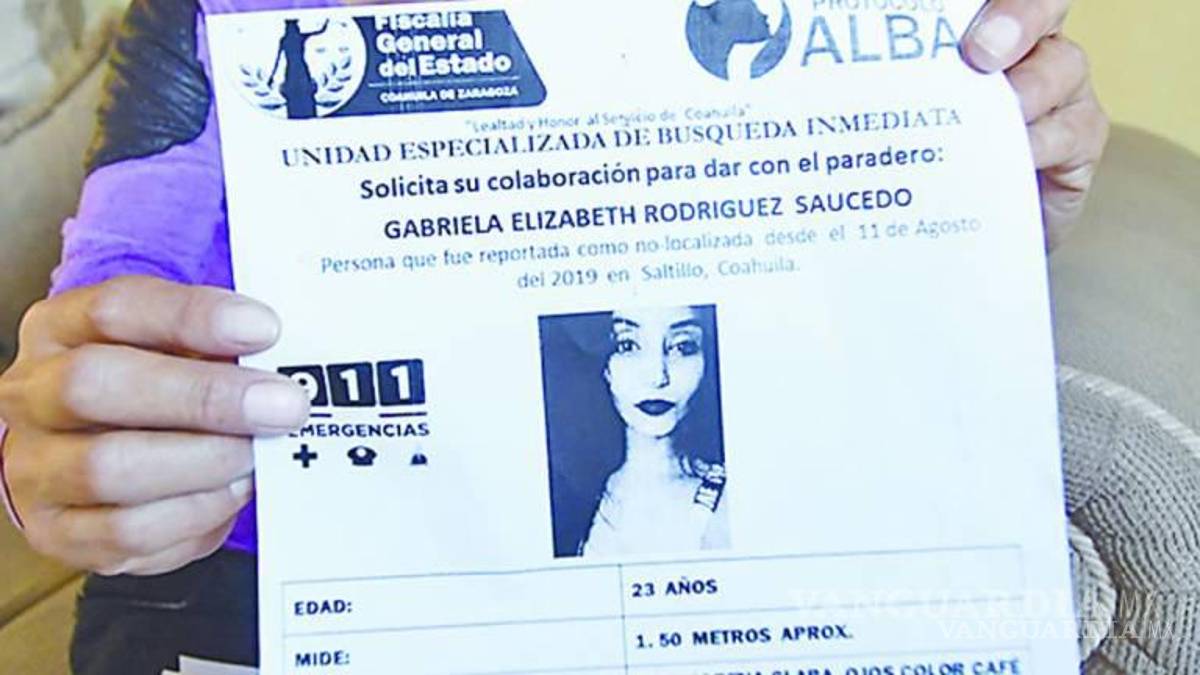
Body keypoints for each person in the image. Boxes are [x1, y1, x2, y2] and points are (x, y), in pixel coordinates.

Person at [0, 0, 1109, 670]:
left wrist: (993, 209)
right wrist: (60, 463)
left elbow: (878, 337)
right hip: (257, 602)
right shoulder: (225, 17)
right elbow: (95, 335)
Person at [547, 306, 728, 558]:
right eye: (627, 345)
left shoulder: (728, 498)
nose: (657, 377)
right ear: (603, 366)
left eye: (683, 347)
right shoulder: (570, 499)